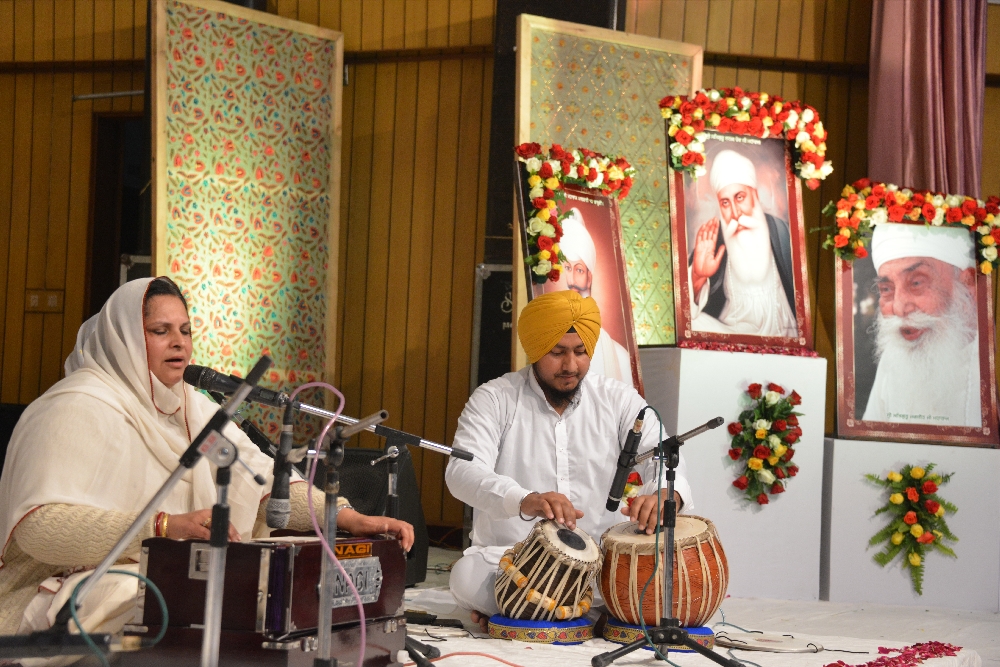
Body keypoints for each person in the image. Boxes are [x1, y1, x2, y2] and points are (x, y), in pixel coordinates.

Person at [0, 277, 413, 652]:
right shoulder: (74, 408)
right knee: (179, 598)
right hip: (58, 585)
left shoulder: (192, 410)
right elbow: (38, 528)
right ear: (124, 338)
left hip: (167, 570)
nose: (178, 343)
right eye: (160, 331)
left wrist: (345, 517)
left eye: (185, 331)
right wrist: (163, 528)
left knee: (267, 582)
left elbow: (263, 483)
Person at [445, 290, 692, 631]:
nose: (570, 366)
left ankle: (524, 611)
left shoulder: (618, 399)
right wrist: (526, 499)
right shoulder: (495, 398)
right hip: (517, 563)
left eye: (580, 352)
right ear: (535, 349)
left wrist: (664, 493)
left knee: (669, 583)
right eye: (557, 352)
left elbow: (661, 455)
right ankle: (584, 614)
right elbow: (462, 471)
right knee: (466, 578)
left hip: (600, 567)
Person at [862, 224, 981, 427]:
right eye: (886, 289)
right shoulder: (893, 360)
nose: (899, 308)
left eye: (916, 283)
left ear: (968, 284)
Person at [688, 149, 797, 337]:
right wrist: (698, 276)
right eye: (725, 203)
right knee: (694, 323)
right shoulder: (714, 244)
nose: (736, 213)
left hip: (785, 333)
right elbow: (686, 312)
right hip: (733, 333)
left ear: (755, 195)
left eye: (740, 197)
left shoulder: (783, 233)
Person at [558, 209, 634, 382]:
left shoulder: (619, 356)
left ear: (590, 276)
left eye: (579, 270)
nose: (571, 280)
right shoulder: (549, 344)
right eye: (567, 268)